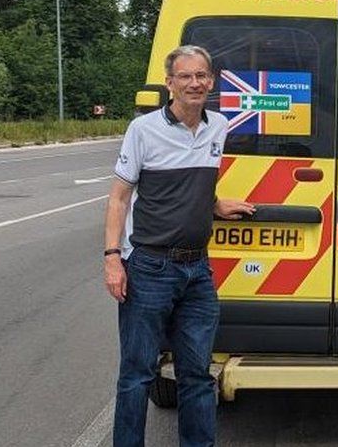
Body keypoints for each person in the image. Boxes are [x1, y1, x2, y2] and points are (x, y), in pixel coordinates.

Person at [103, 45, 254, 447]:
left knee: (197, 375)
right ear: (170, 83)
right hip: (149, 267)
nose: (194, 83)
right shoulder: (144, 129)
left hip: (197, 272)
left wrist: (215, 203)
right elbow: (119, 197)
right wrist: (112, 258)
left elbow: (195, 182)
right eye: (185, 76)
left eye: (202, 75)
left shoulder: (217, 126)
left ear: (212, 81)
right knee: (137, 373)